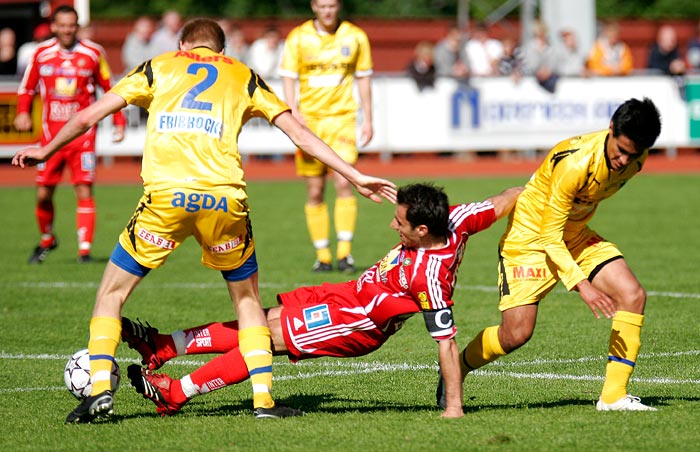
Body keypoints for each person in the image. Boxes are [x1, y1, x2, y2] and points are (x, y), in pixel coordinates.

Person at [13, 17, 395, 424]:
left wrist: (47, 148)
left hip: (166, 199)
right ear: (222, 51)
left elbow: (91, 115)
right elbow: (298, 132)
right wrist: (355, 175)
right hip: (223, 201)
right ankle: (263, 402)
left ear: (182, 44)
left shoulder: (157, 66)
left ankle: (99, 394)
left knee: (111, 293)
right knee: (247, 301)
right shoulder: (243, 75)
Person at [121, 183, 522, 419]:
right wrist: (545, 188)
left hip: (356, 322)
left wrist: (454, 408)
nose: (391, 225)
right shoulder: (457, 218)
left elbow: (446, 343)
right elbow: (510, 196)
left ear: (421, 229)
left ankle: (176, 393)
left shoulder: (429, 278)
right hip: (348, 293)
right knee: (259, 318)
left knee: (263, 338)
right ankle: (164, 346)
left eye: (399, 223)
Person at [436, 98, 662, 412]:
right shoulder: (575, 163)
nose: (623, 161)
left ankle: (613, 396)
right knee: (516, 334)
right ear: (610, 129)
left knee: (632, 295)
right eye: (620, 150)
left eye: (632, 154)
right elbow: (548, 235)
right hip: (531, 239)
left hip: (575, 235)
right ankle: (456, 369)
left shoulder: (638, 159)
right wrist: (582, 285)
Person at [14, 5, 126, 264]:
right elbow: (26, 87)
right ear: (53, 26)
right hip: (50, 138)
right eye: (62, 25)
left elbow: (110, 89)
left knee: (83, 189)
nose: (67, 30)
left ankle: (84, 251)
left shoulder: (93, 53)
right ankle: (47, 239)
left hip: (82, 137)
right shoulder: (41, 54)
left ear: (77, 26)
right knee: (44, 193)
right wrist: (22, 112)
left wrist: (119, 121)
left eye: (71, 25)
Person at [280, 0, 374, 274]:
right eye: (322, 6)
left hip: (342, 121)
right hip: (309, 124)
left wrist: (368, 118)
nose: (328, 11)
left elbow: (364, 77)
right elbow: (288, 76)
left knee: (345, 184)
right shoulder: (298, 37)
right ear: (313, 7)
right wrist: (292, 110)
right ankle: (322, 256)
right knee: (315, 190)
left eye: (332, 5)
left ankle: (345, 254)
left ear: (339, 6)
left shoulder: (355, 36)